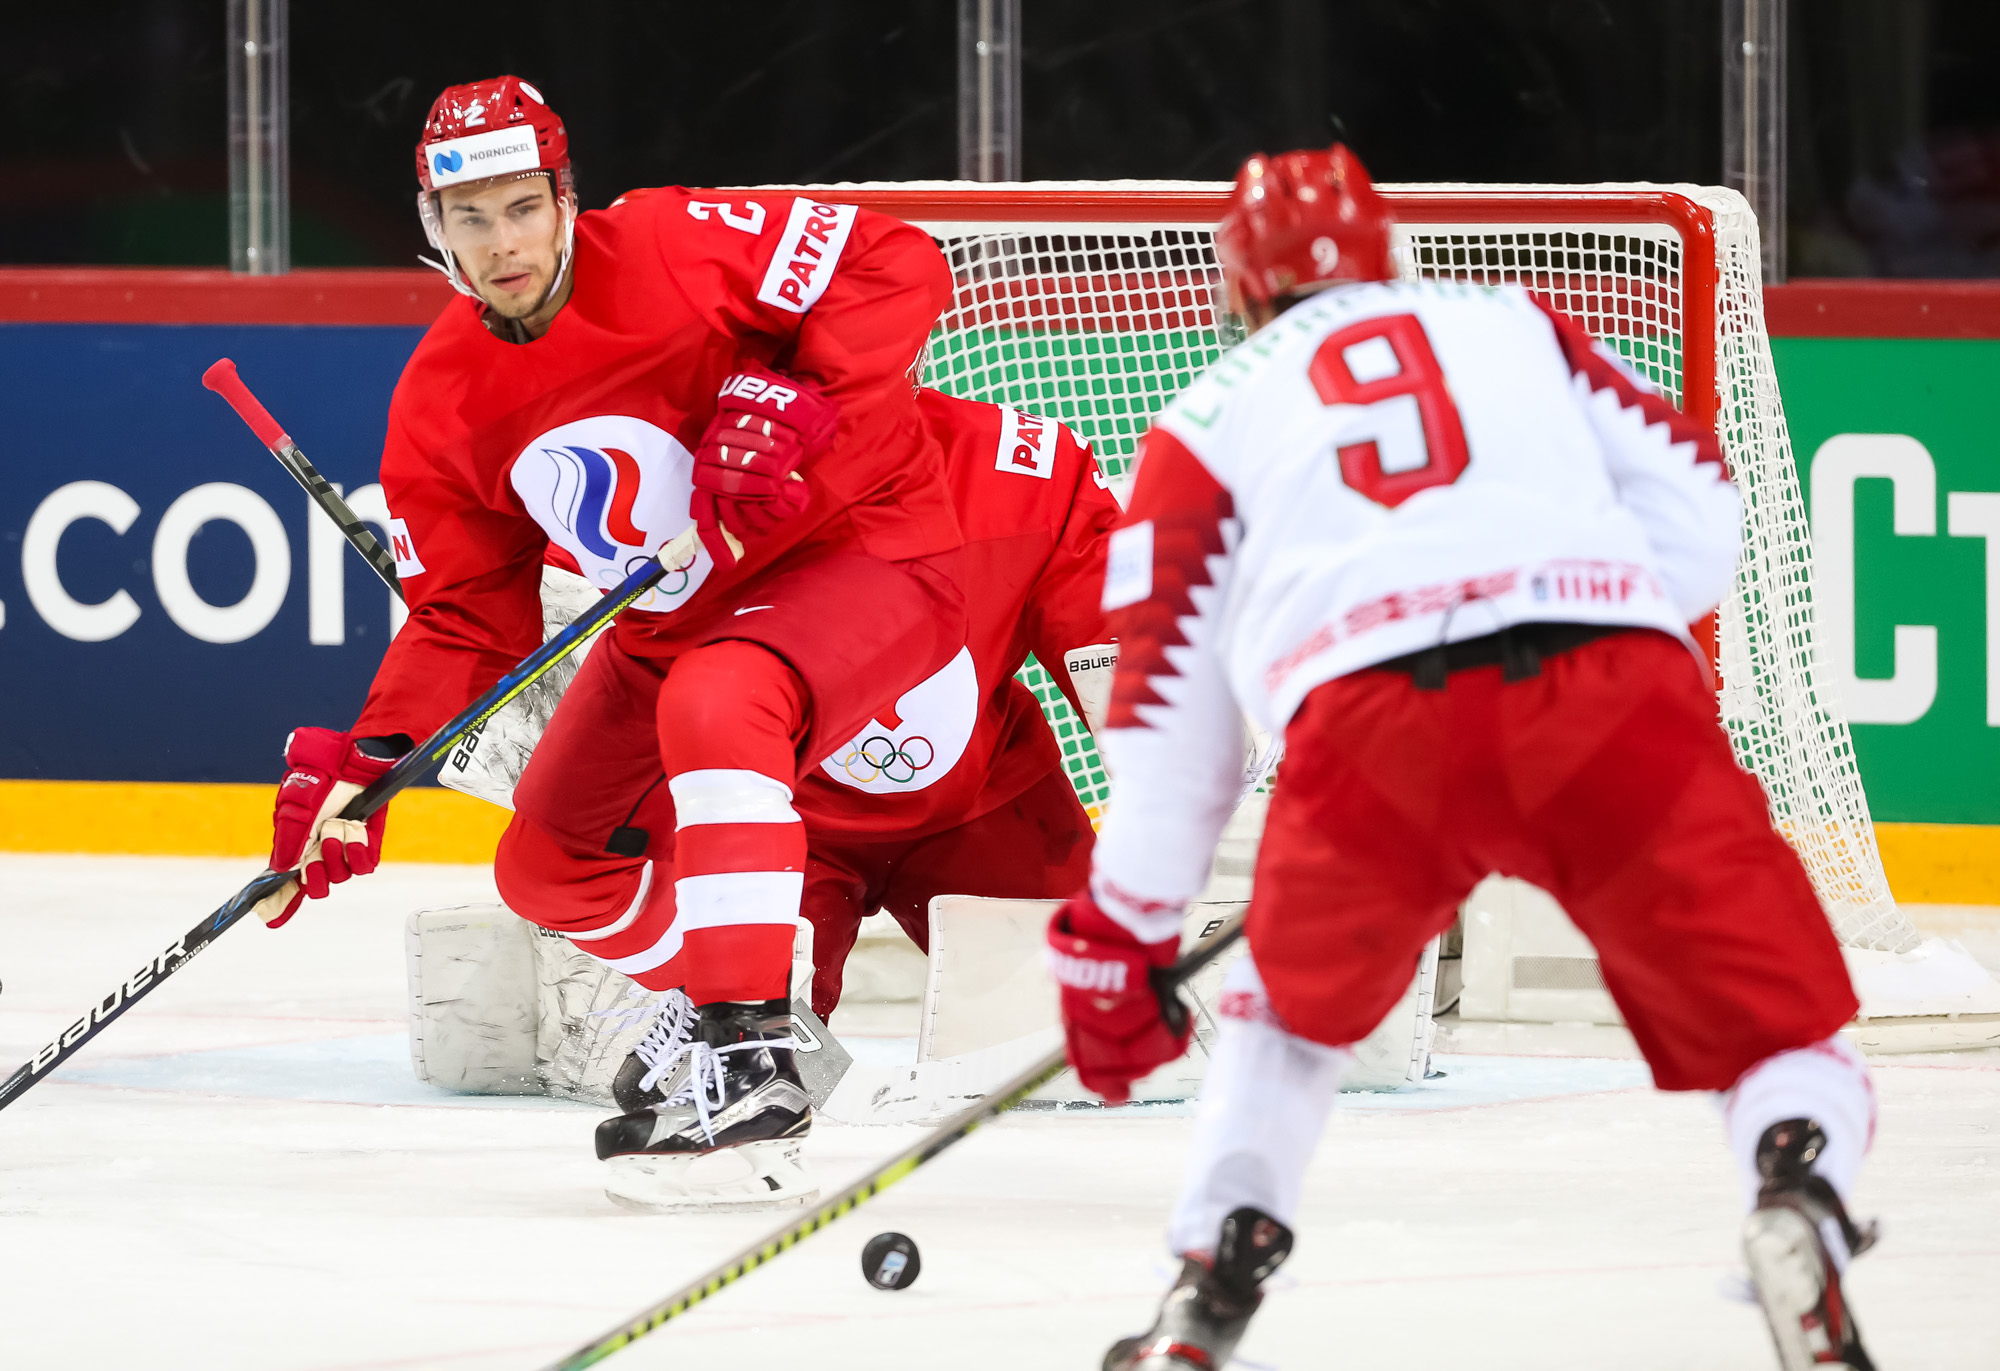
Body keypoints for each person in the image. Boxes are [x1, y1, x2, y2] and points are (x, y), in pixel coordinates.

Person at [1045, 145, 1880, 1370]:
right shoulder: (1511, 323)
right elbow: (1702, 500)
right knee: (1775, 1020)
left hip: (1372, 731)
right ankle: (1796, 1187)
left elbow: (1170, 721)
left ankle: (1204, 1297)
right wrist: (1594, 611)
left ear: (1237, 288)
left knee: (1282, 1025)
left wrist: (1123, 929)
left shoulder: (1199, 422)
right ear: (1387, 252)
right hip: (1607, 692)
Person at [258, 75, 967, 1209]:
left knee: (717, 701)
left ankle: (747, 1053)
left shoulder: (676, 244)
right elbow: (464, 611)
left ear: (565, 198)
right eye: (471, 218)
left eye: (522, 208)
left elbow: (898, 263)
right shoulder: (442, 401)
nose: (503, 243)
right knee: (548, 862)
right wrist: (371, 760)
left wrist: (798, 396)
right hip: (678, 615)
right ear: (435, 226)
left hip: (864, 549)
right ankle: (733, 999)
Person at [512, 385, 1117, 1111]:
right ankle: (713, 999)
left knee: (1107, 1036)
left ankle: (716, 994)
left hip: (984, 802)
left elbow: (1108, 640)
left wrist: (1185, 773)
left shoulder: (1022, 466)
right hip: (776, 828)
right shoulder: (685, 474)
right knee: (736, 1084)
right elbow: (598, 639)